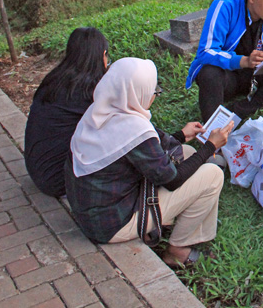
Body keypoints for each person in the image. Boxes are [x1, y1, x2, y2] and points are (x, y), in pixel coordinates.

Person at [65, 58, 233, 267]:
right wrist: (210, 146)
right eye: (153, 92)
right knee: (212, 175)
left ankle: (180, 219)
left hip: (95, 211)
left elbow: (142, 152)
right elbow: (172, 180)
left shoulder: (99, 112)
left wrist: (180, 135)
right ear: (136, 92)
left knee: (186, 152)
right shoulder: (133, 128)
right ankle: (177, 250)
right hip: (113, 224)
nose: (154, 96)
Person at [24, 27, 109, 198]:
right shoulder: (89, 91)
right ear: (103, 55)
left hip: (39, 169)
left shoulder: (56, 79)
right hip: (58, 180)